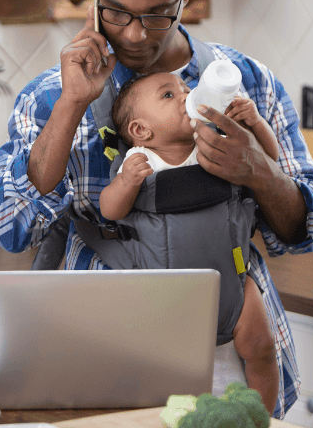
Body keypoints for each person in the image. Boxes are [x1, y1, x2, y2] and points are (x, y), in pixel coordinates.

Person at [0, 0, 313, 418]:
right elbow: (10, 229)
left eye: (157, 14)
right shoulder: (53, 95)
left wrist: (256, 168)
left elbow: (304, 232)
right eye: (116, 10)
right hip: (101, 355)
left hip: (231, 355)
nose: (135, 33)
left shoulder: (246, 82)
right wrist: (73, 105)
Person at [99, 70, 281, 411]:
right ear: (141, 130)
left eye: (186, 88)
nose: (186, 95)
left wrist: (255, 124)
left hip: (234, 277)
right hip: (168, 293)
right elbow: (110, 210)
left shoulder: (215, 143)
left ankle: (262, 416)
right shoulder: (140, 161)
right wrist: (126, 182)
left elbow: (270, 161)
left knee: (261, 346)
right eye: (169, 95)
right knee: (162, 371)